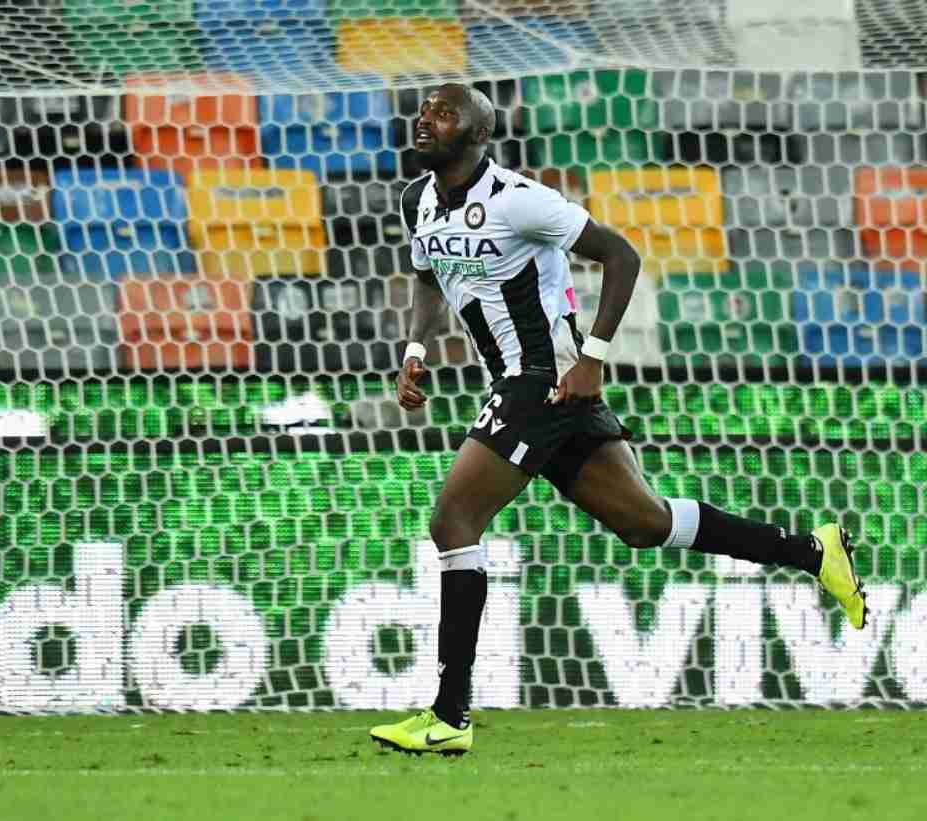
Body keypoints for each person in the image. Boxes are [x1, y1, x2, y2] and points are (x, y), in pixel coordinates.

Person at [368, 83, 868, 757]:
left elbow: (621, 254)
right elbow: (428, 276)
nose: (427, 119)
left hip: (542, 381)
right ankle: (812, 551)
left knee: (452, 522)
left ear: (479, 134)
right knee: (645, 521)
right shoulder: (417, 202)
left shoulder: (520, 200)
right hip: (536, 389)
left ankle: (449, 715)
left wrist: (594, 359)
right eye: (426, 108)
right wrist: (417, 346)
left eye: (445, 112)